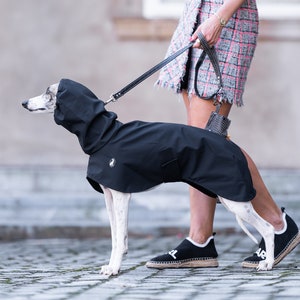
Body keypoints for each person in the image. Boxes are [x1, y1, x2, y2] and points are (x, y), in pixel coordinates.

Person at [146, 0, 300, 269]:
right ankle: (199, 240)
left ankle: (278, 224)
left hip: (225, 22)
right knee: (199, 139)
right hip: (195, 18)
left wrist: (220, 18)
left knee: (209, 140)